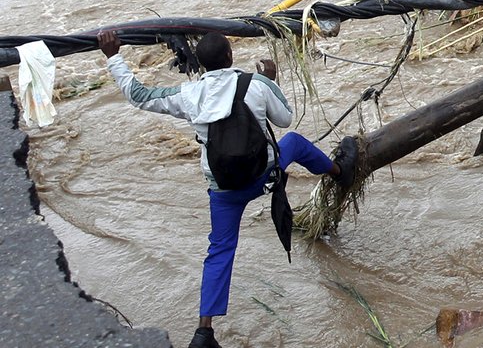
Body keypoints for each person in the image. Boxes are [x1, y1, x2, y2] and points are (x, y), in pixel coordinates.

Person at [97, 30, 357, 348]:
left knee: (220, 251)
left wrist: (112, 55)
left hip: (224, 190)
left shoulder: (190, 94)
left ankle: (204, 331)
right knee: (295, 143)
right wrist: (271, 79)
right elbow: (286, 119)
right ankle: (340, 172)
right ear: (231, 57)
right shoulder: (256, 85)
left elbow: (139, 95)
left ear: (201, 65)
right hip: (264, 174)